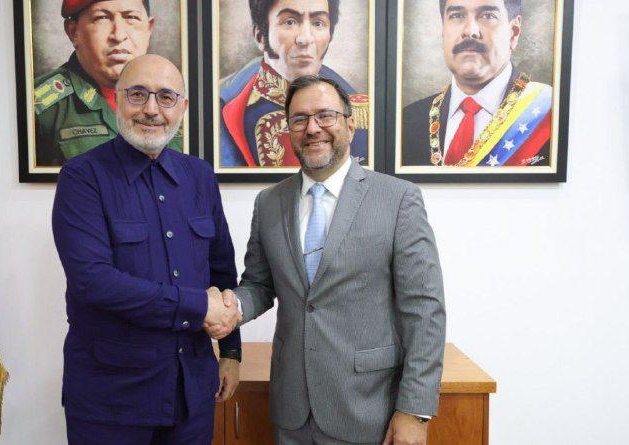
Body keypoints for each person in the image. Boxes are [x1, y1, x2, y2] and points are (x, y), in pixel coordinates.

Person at [213, 76, 446, 444]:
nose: (312, 128)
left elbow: (425, 309)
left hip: (369, 409)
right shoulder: (269, 202)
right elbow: (259, 284)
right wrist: (233, 307)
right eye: (300, 119)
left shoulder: (398, 199)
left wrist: (415, 410)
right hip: (292, 410)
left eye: (325, 115)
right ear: (288, 130)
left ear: (350, 126)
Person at [52, 54, 242, 444]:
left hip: (191, 391)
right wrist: (196, 305)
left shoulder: (199, 176)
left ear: (182, 108)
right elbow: (93, 281)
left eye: (166, 97)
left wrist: (230, 351)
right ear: (117, 101)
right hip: (112, 398)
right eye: (138, 95)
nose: (152, 110)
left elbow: (221, 270)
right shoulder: (82, 177)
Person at [219, 0, 369, 168]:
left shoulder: (358, 109)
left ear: (330, 35)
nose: (306, 39)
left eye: (318, 23)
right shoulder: (224, 104)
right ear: (260, 35)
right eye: (290, 22)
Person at [401, 0, 552, 167]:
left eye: (488, 16)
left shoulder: (551, 117)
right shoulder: (406, 122)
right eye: (457, 15)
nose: (470, 31)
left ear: (513, 32)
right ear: (443, 31)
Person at [34, 0, 183, 167]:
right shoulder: (38, 108)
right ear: (73, 32)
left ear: (149, 29)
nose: (118, 35)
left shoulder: (178, 101)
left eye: (131, 17)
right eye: (102, 18)